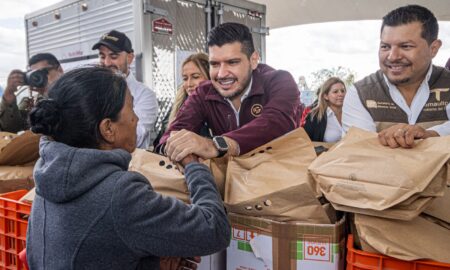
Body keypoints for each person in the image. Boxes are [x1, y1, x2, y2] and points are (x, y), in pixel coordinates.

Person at [26, 66, 230, 270]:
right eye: (131, 108)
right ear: (108, 129)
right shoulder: (120, 192)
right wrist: (194, 166)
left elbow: (86, 252)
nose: (136, 118)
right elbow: (214, 230)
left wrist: (150, 265)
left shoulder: (48, 172)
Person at [158, 22, 300, 162]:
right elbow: (171, 134)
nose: (221, 74)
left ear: (253, 60)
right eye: (214, 64)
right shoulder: (203, 92)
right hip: (231, 180)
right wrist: (183, 153)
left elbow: (276, 123)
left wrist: (215, 145)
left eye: (232, 62)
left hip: (280, 178)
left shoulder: (280, 81)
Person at [342, 4, 450, 148]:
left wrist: (430, 134)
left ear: (433, 49)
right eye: (385, 46)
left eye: (406, 46)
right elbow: (359, 151)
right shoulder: (360, 93)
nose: (392, 57)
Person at [92, 30, 159, 149]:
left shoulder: (145, 95)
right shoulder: (92, 90)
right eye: (102, 56)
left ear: (130, 57)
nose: (106, 63)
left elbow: (133, 137)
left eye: (113, 56)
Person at [0, 53, 63, 132]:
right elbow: (11, 128)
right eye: (36, 74)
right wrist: (9, 95)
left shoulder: (76, 91)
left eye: (45, 72)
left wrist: (50, 94)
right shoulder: (35, 102)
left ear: (60, 70)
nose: (41, 77)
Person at [304, 77, 346, 142]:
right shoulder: (314, 117)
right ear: (326, 96)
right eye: (335, 92)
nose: (341, 94)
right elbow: (305, 143)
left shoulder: (351, 113)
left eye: (343, 91)